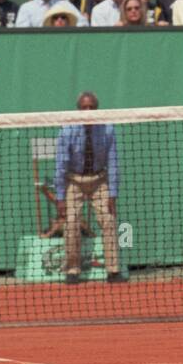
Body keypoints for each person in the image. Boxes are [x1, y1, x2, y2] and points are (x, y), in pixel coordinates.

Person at [54, 91, 123, 284]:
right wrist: (60, 196)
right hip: (74, 180)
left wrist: (113, 193)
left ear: (96, 109)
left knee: (109, 220)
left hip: (99, 179)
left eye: (91, 107)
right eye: (84, 107)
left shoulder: (107, 129)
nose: (88, 110)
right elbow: (61, 163)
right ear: (78, 109)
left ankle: (113, 271)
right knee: (71, 222)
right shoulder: (67, 129)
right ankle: (73, 270)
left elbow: (113, 161)